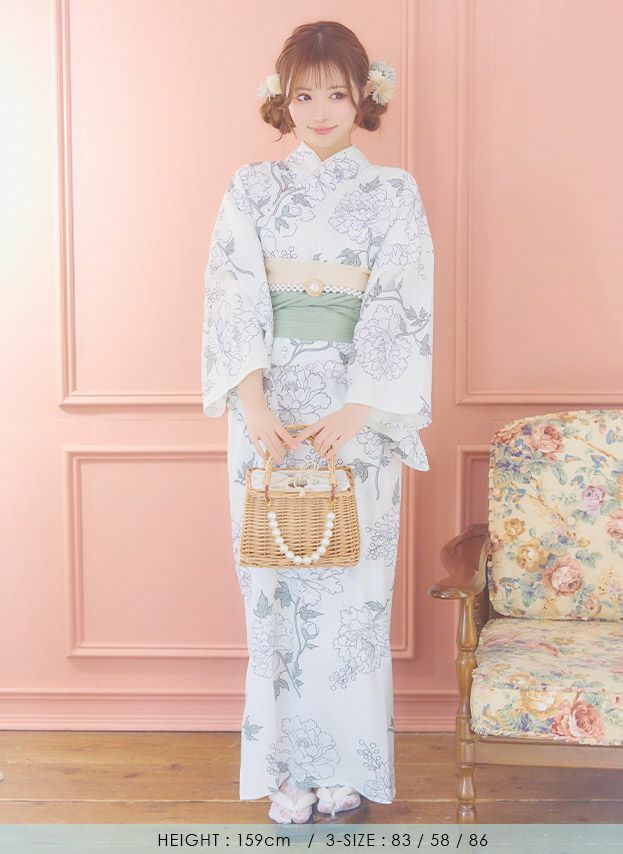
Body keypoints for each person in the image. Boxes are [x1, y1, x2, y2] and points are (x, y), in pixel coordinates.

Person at [201, 20, 434, 824]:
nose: (323, 110)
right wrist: (252, 400)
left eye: (338, 93)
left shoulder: (394, 193)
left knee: (356, 594)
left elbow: (400, 297)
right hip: (267, 413)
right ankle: (286, 770)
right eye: (305, 95)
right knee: (273, 589)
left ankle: (345, 768)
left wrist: (362, 403)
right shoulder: (252, 188)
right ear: (283, 99)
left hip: (355, 417)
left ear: (366, 95)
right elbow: (231, 293)